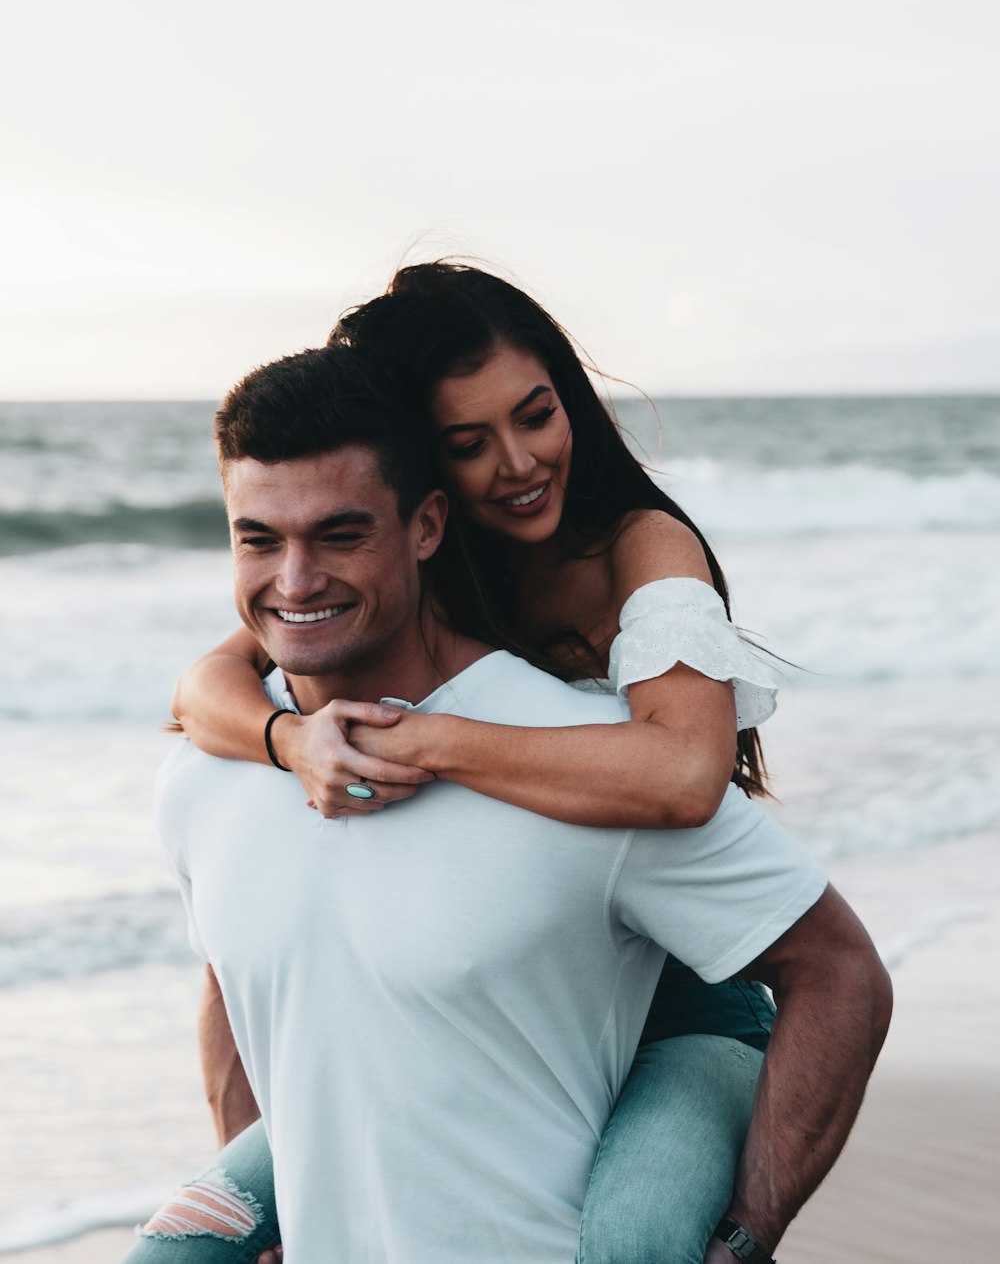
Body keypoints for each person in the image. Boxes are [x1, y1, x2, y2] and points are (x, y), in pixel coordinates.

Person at [137, 343, 890, 1264]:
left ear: (426, 524)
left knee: (638, 1246)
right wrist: (285, 740)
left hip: (689, 999)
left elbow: (717, 817)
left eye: (341, 534)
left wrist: (750, 1226)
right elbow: (238, 973)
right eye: (258, 537)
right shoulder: (217, 765)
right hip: (538, 981)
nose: (295, 580)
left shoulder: (629, 569)